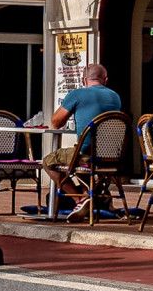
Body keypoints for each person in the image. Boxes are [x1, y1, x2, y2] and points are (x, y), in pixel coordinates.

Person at [43, 64, 123, 210]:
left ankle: (79, 199)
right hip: (110, 156)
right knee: (80, 152)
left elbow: (56, 122)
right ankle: (88, 195)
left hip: (85, 155)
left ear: (84, 80)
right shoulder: (115, 97)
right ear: (105, 80)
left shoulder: (77, 94)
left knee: (49, 161)